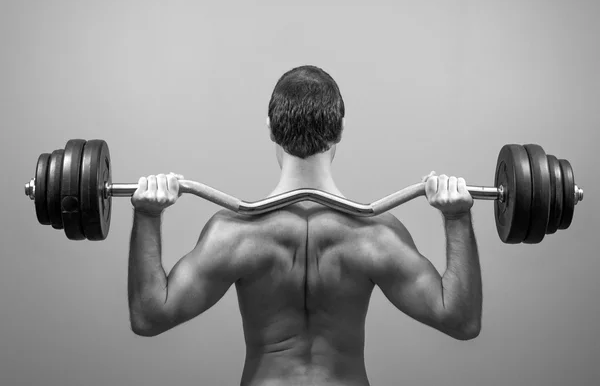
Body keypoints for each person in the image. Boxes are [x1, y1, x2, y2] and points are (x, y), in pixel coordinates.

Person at [128, 65, 482, 386]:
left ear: (270, 129)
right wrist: (456, 218)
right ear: (340, 128)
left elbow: (149, 317)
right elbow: (461, 321)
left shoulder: (233, 235)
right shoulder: (376, 237)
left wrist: (148, 215)